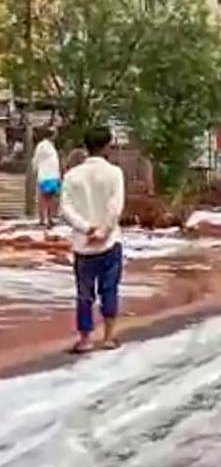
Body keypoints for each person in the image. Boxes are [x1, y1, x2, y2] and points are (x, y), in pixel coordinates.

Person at [60, 126, 126, 354]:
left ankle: (85, 338)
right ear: (107, 146)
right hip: (109, 243)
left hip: (83, 245)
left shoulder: (71, 176)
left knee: (84, 294)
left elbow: (65, 209)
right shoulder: (114, 173)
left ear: (86, 147)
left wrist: (86, 228)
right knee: (109, 290)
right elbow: (115, 207)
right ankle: (108, 336)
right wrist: (104, 231)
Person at [32, 127, 61, 228]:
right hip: (45, 175)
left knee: (51, 197)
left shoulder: (52, 146)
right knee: (44, 197)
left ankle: (49, 218)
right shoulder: (42, 145)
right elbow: (36, 159)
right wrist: (35, 171)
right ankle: (43, 219)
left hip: (53, 175)